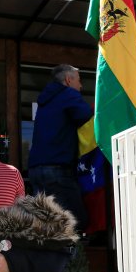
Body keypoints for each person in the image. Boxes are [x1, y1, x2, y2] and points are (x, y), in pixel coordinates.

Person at [28, 64, 93, 234]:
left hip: (35, 169)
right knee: (76, 221)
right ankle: (73, 259)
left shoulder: (44, 100)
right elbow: (86, 116)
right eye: (79, 81)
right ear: (68, 79)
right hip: (58, 169)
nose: (81, 86)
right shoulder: (68, 94)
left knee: (46, 223)